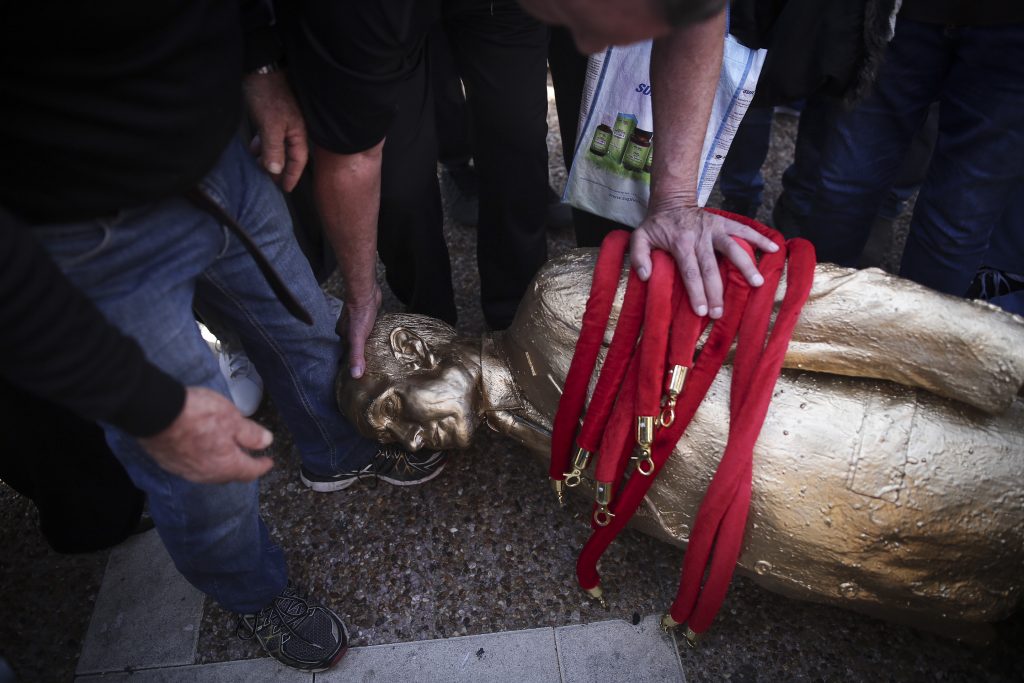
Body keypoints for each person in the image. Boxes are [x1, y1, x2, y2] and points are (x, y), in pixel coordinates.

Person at [0, 1, 444, 672]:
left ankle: (338, 448)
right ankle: (251, 588)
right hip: (82, 227)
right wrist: (140, 400)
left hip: (219, 161)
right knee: (195, 459)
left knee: (308, 326)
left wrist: (258, 61)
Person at [337, 248, 1024, 633]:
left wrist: (988, 350)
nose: (409, 437)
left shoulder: (559, 306)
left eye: (393, 407)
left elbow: (791, 306)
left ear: (410, 346)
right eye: (391, 436)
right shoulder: (535, 450)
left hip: (900, 461)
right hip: (863, 555)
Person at [280, 0, 552, 335]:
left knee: (518, 140)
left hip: (500, 10)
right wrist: (361, 298)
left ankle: (517, 311)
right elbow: (352, 157)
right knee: (398, 183)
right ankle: (426, 321)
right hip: (379, 13)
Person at [800, 1, 1024, 298]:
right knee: (843, 188)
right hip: (902, 16)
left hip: (1012, 33)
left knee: (958, 221)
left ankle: (916, 338)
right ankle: (808, 321)